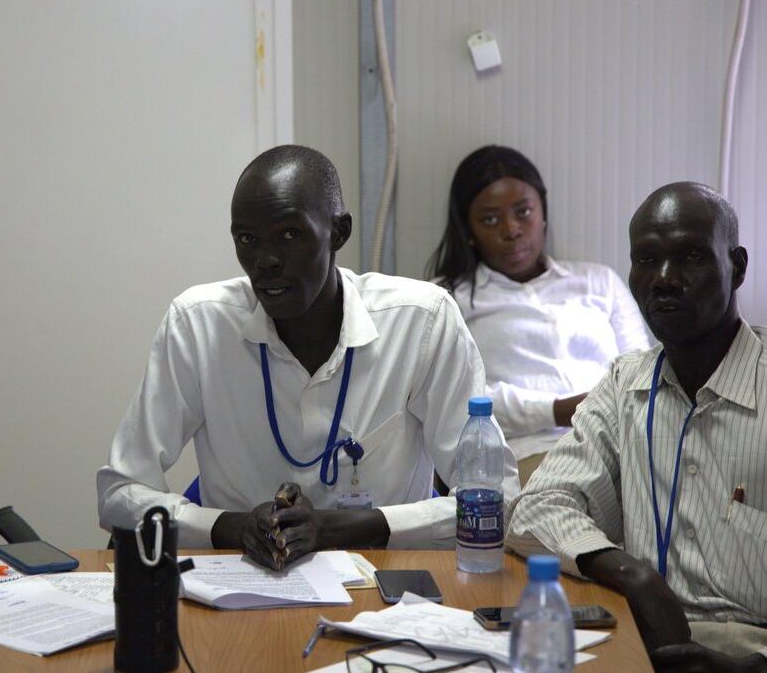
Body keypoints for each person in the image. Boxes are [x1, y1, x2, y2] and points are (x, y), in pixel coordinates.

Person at [97, 145, 519, 569]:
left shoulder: (421, 322)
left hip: (385, 586)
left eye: (290, 235)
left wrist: (342, 528)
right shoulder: (198, 324)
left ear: (338, 232)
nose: (265, 261)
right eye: (247, 239)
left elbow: (499, 502)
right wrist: (231, 527)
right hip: (240, 585)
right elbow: (119, 494)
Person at [506, 182, 767, 670]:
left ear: (737, 266)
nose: (664, 279)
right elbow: (534, 509)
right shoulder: (626, 384)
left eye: (689, 257)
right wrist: (632, 575)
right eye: (646, 259)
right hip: (638, 639)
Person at [426, 146, 649, 484]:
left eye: (524, 211)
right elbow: (458, 398)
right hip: (525, 455)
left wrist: (600, 412)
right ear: (467, 229)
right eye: (490, 219)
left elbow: (641, 373)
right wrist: (557, 410)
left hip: (622, 445)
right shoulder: (446, 298)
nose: (511, 229)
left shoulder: (599, 281)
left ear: (542, 211)